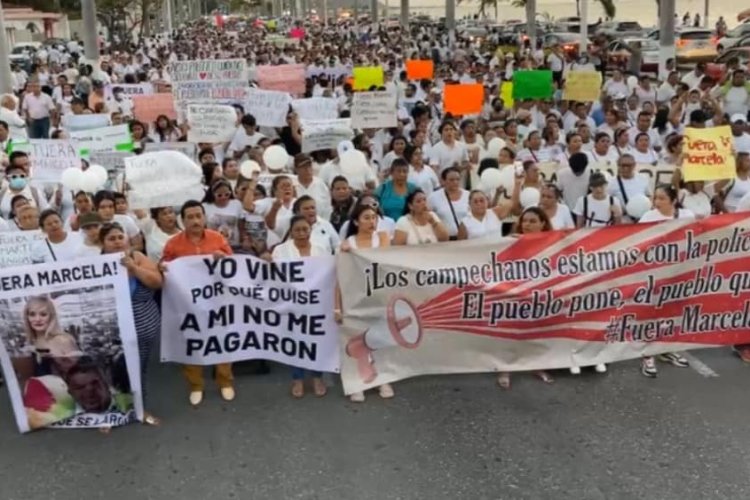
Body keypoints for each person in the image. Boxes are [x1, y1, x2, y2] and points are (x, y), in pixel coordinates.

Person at [161, 200, 235, 406]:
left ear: (204, 217)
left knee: (221, 340)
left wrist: (224, 258)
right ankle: (195, 385)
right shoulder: (173, 244)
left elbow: (234, 266)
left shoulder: (217, 238)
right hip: (188, 305)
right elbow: (163, 266)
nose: (195, 220)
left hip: (217, 301)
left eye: (198, 216)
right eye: (190, 217)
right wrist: (164, 268)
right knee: (192, 342)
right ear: (182, 220)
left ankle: (225, 381)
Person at [100, 222, 163, 425]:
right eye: (111, 239)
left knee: (138, 369)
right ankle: (115, 410)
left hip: (143, 325)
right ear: (102, 244)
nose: (117, 242)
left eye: (120, 237)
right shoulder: (96, 265)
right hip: (112, 330)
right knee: (113, 370)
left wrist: (134, 269)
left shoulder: (138, 257)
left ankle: (140, 409)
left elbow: (157, 282)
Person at [339, 203, 394, 402]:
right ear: (356, 222)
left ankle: (383, 379)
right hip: (356, 297)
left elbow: (383, 258)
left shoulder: (382, 238)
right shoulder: (348, 242)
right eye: (366, 218)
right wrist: (338, 306)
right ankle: (357, 381)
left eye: (374, 217)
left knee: (379, 338)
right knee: (356, 340)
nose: (372, 221)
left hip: (379, 295)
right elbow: (340, 276)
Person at [496, 207, 555, 389]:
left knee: (536, 330)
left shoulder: (553, 242)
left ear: (542, 224)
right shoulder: (510, 242)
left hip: (539, 292)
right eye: (525, 221)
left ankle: (536, 366)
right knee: (511, 330)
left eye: (532, 221)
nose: (527, 225)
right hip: (514, 292)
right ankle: (505, 369)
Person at [637, 185, 693, 377]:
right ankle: (647, 354)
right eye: (655, 198)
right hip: (654, 272)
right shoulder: (648, 217)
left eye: (662, 198)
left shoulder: (686, 215)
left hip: (678, 271)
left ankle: (666, 349)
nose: (657, 202)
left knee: (672, 311)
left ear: (673, 200)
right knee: (651, 312)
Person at [271, 215, 329, 398]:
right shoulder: (281, 251)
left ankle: (317, 377)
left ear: (310, 230)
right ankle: (297, 378)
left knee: (316, 342)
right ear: (291, 231)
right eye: (298, 230)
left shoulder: (321, 250)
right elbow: (276, 278)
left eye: (305, 229)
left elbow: (328, 276)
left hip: (317, 304)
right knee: (295, 342)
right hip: (292, 304)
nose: (302, 233)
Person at [427, 167, 470, 239]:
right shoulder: (433, 197)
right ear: (443, 181)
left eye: (457, 179)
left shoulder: (468, 195)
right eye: (451, 180)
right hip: (445, 239)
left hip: (466, 238)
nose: (455, 182)